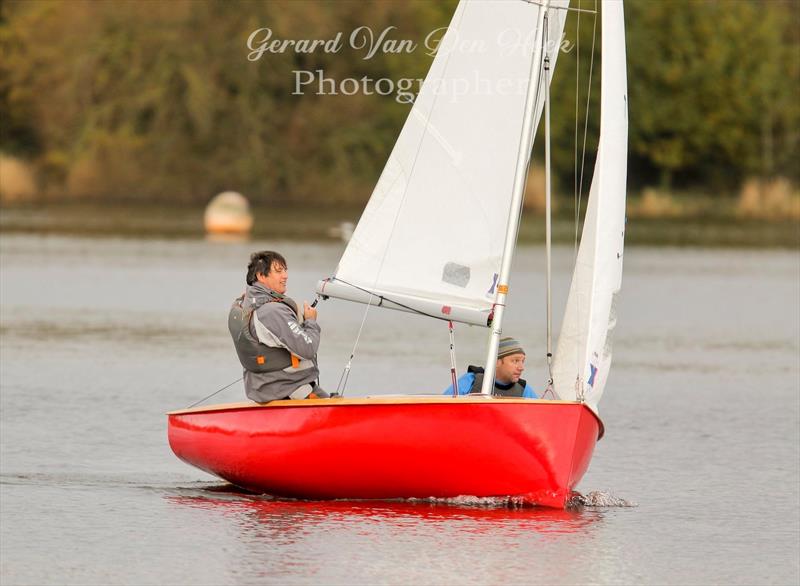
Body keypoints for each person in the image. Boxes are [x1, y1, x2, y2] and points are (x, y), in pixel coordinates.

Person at [228, 250, 327, 402]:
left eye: (285, 270)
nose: (285, 275)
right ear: (261, 276)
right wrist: (311, 321)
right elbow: (308, 349)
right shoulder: (272, 311)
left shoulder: (243, 303)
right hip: (291, 390)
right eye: (279, 271)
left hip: (262, 391)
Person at [443, 337, 538, 398]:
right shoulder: (471, 381)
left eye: (523, 361)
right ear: (496, 362)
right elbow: (443, 405)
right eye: (515, 361)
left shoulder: (524, 390)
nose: (521, 367)